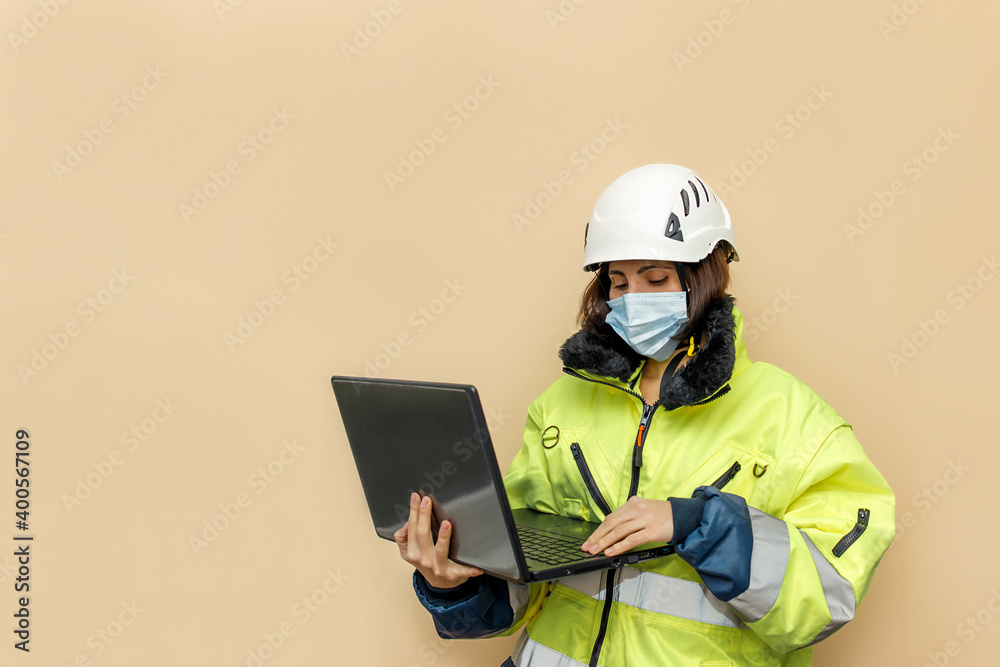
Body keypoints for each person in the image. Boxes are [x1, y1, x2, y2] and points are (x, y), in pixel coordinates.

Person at [394, 163, 895, 666]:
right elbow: (521, 580)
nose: (632, 299)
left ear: (706, 274)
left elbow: (827, 599)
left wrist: (695, 521)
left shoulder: (795, 419)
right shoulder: (561, 405)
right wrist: (454, 579)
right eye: (617, 281)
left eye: (655, 278)